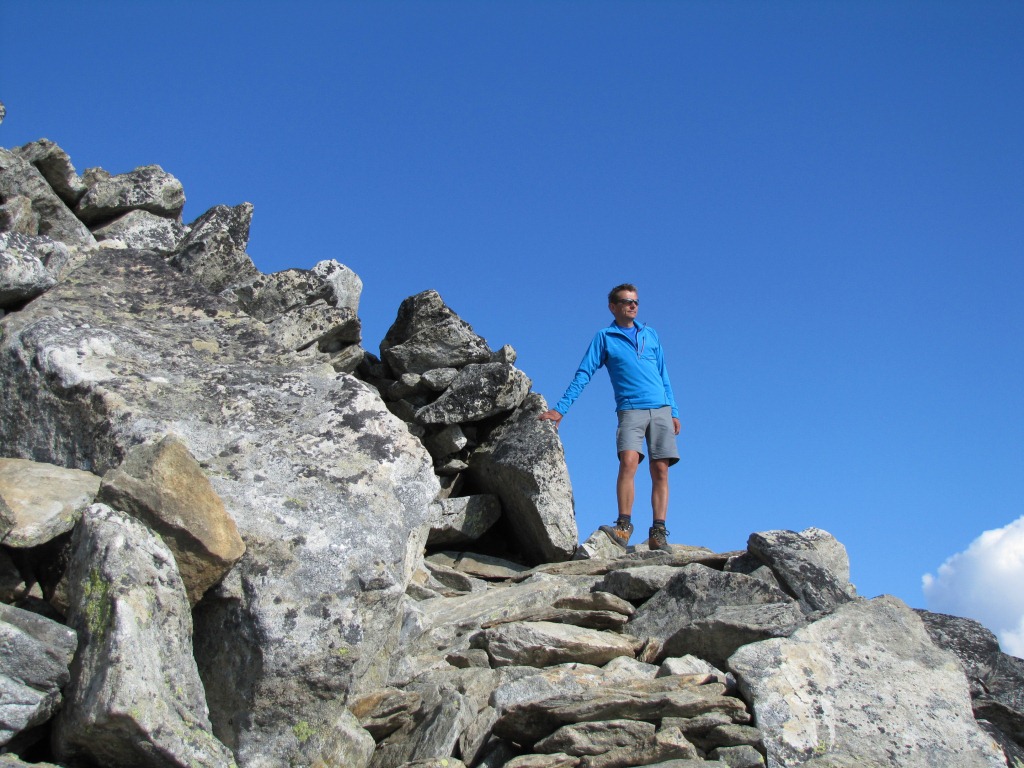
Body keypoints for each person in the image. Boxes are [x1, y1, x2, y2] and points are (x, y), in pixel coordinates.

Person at [538, 283, 681, 552]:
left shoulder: (650, 334)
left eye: (636, 301)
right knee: (629, 461)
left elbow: (664, 374)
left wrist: (673, 410)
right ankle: (623, 526)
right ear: (613, 307)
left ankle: (658, 532)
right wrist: (561, 408)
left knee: (661, 468)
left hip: (660, 408)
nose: (633, 305)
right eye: (627, 301)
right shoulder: (605, 337)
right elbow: (584, 373)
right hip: (630, 409)